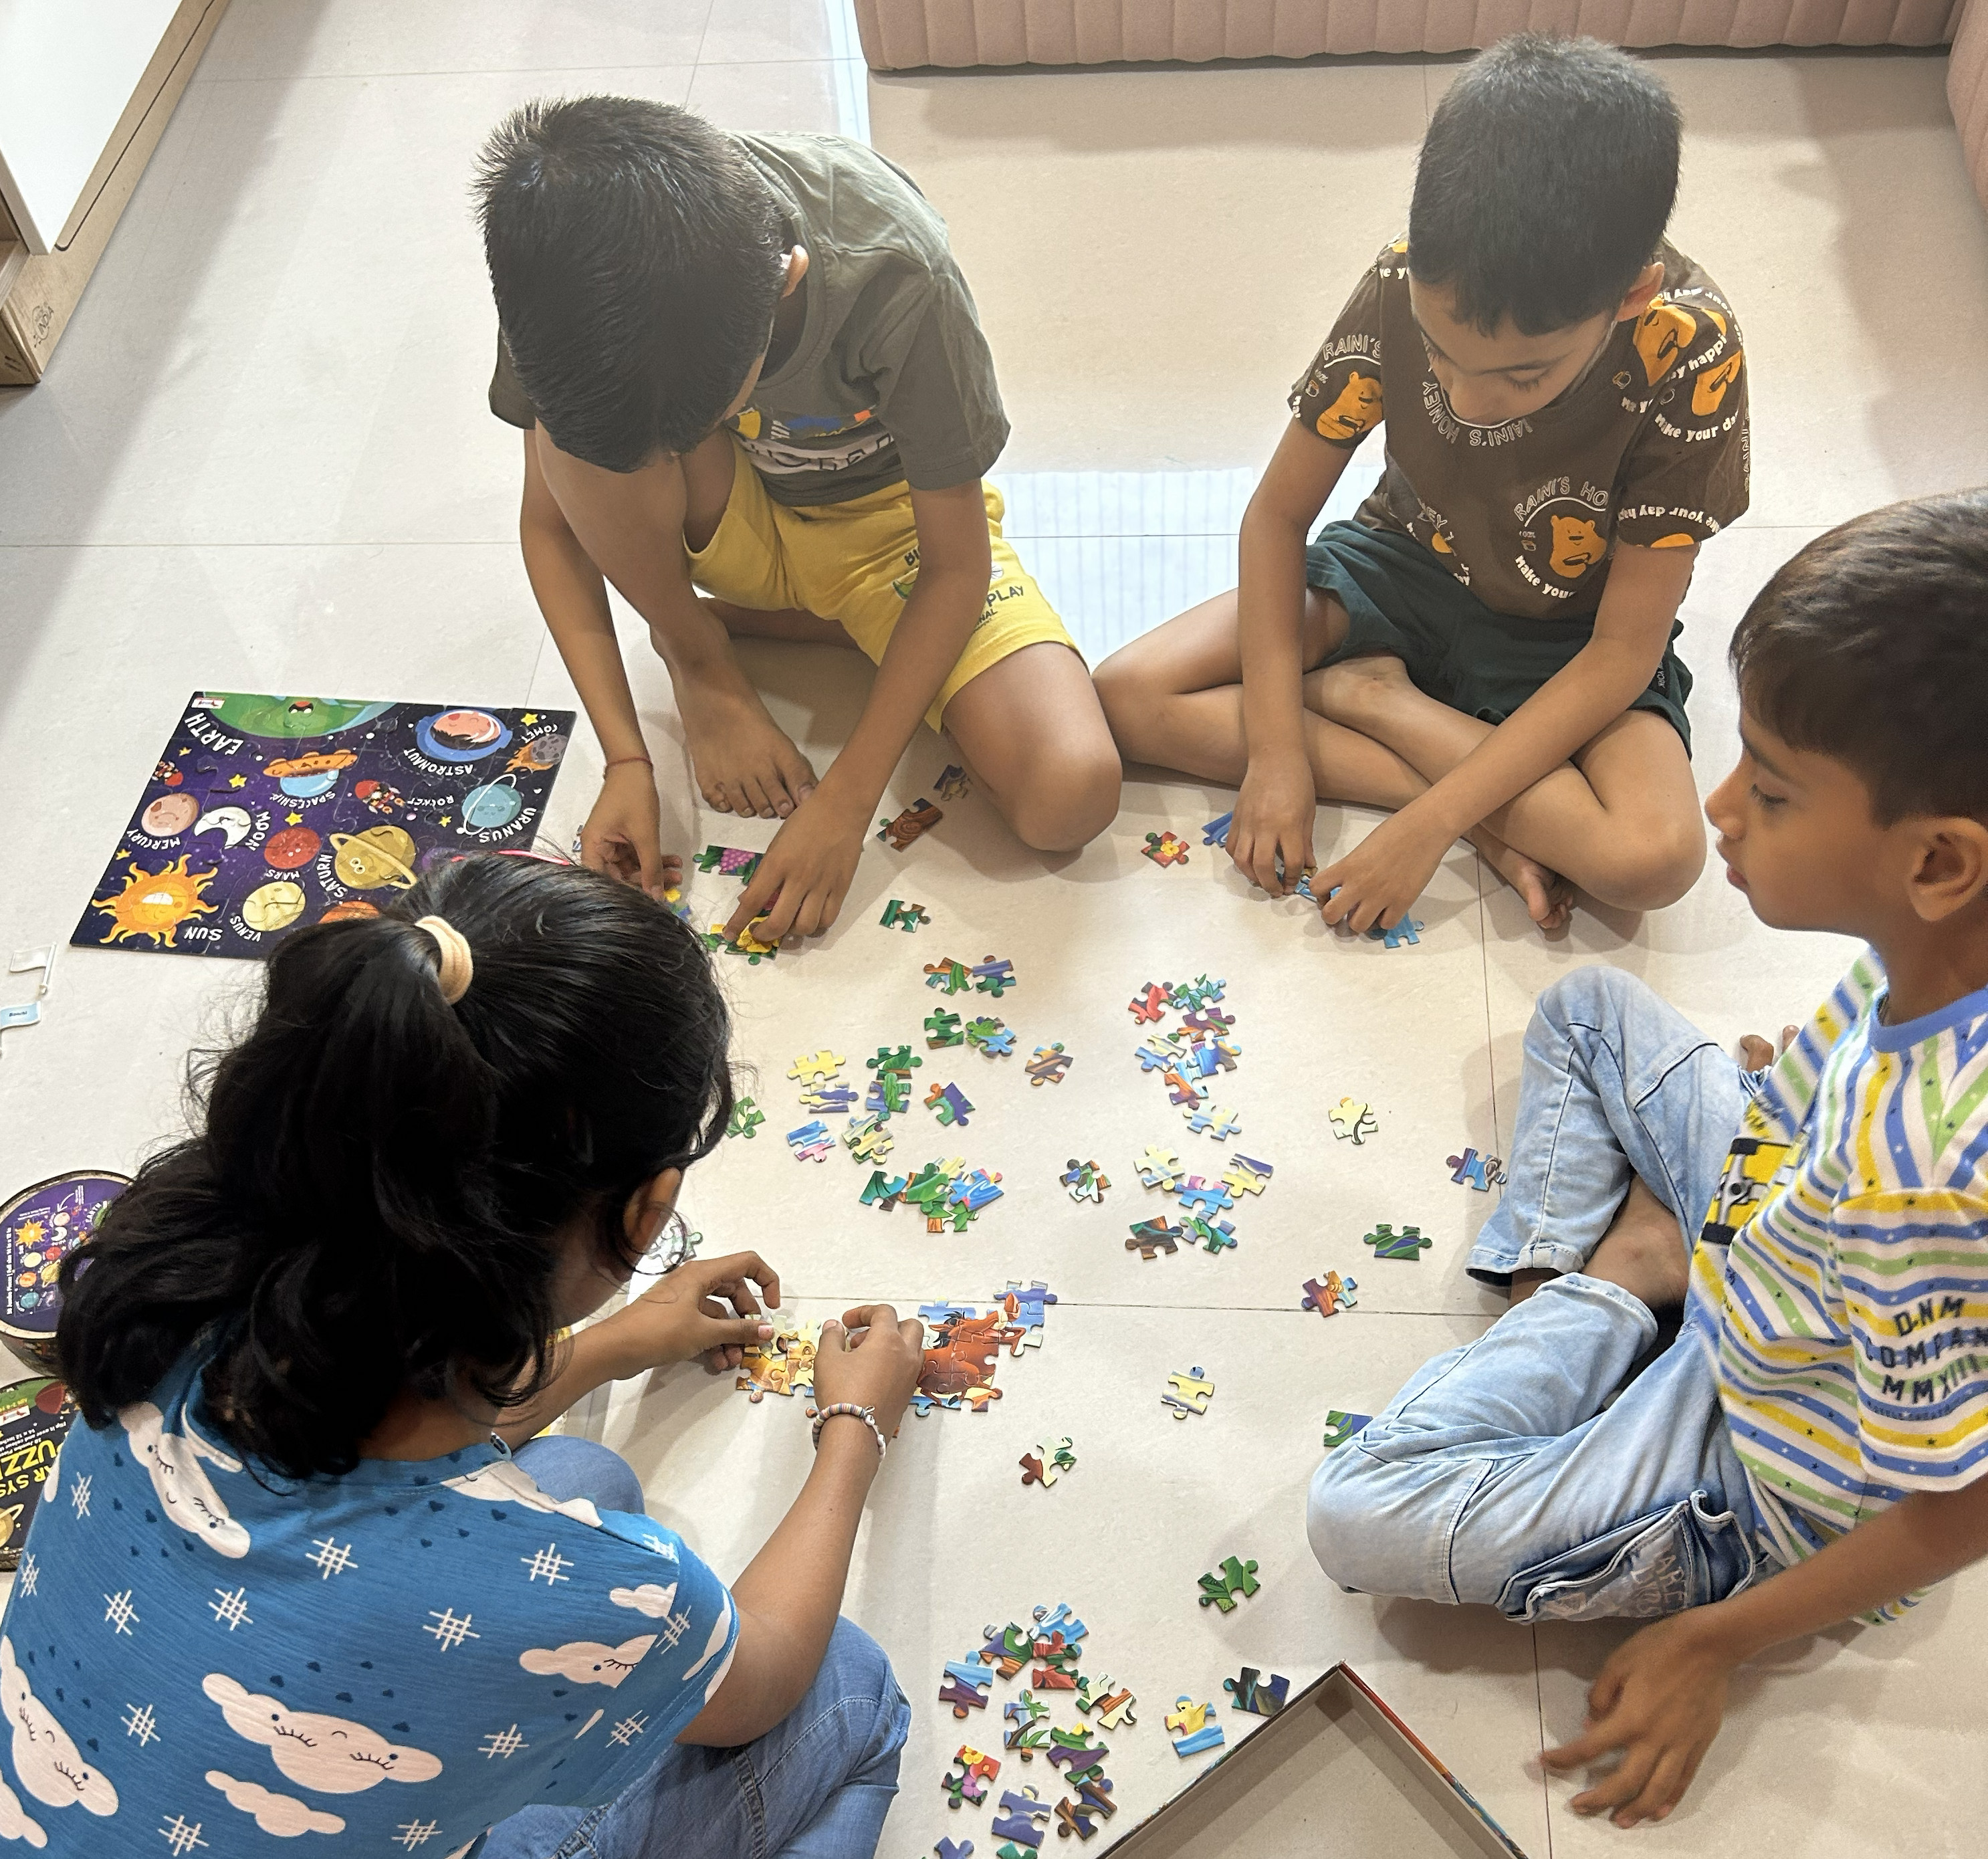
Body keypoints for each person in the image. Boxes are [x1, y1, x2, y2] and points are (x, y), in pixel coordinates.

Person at [15, 853, 924, 1858]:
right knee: (854, 1691)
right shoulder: (597, 1595)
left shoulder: (161, 1292)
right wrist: (856, 1425)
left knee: (588, 1472)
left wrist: (611, 1346)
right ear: (645, 1210)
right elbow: (769, 1680)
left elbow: (370, 1454)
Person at [1307, 491, 1988, 1827]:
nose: (1720, 807)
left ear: (1938, 863)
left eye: (1774, 790)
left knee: (1357, 1513)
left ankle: (1613, 1289)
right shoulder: (1931, 961)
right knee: (1585, 1009)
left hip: (1763, 1464)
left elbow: (1950, 1508)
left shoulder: (1929, 1178)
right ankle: (1644, 1270)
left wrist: (1708, 1641)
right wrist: (1777, 1113)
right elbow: (1805, 1111)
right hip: (1771, 1244)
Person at [1095, 35, 1749, 935]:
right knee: (1128, 695)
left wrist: (1425, 827)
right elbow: (1278, 516)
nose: (1471, 401)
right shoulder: (1402, 275)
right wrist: (1277, 756)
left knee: (1653, 862)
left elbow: (1620, 656)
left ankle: (1373, 696)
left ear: (1630, 298)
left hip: (1563, 637)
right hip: (1397, 567)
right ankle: (1489, 804)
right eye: (1440, 355)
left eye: (1522, 377)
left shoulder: (1692, 348)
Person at [476, 98, 1120, 945]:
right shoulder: (558, 272)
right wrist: (629, 758)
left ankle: (807, 620)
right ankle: (700, 649)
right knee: (580, 444)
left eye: (698, 415)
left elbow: (954, 565)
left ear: (788, 279)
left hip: (892, 530)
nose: (663, 450)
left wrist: (846, 803)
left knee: (1070, 790)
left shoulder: (896, 268)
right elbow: (555, 525)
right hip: (725, 509)